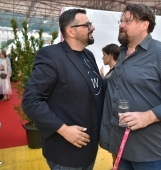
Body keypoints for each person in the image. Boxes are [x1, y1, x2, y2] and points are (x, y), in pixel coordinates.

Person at [99, 4, 161, 170]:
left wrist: (148, 116)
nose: (121, 24)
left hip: (152, 154)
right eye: (121, 21)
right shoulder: (122, 54)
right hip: (122, 147)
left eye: (128, 21)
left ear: (144, 24)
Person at [22, 9, 104, 170]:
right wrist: (63, 129)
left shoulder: (88, 55)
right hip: (65, 152)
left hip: (89, 149)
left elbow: (93, 92)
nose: (92, 27)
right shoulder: (51, 56)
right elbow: (31, 101)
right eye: (87, 24)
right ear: (70, 31)